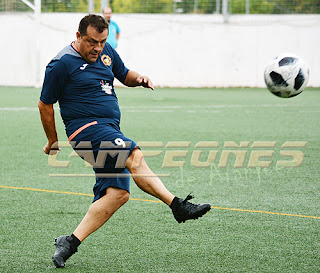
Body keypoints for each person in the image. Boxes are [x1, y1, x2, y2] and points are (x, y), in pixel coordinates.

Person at [38, 14, 211, 268]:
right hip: (86, 131)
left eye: (102, 41)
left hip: (109, 130)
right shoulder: (61, 63)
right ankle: (178, 206)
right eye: (91, 42)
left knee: (117, 194)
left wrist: (139, 78)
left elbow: (124, 74)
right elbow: (45, 104)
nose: (97, 48)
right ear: (78, 37)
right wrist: (52, 141)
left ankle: (69, 242)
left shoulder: (105, 51)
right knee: (134, 155)